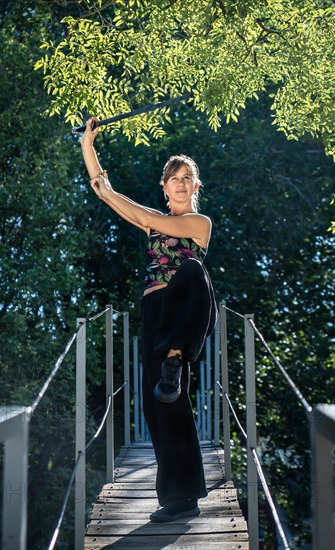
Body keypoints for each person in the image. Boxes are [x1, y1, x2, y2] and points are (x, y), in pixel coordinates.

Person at [81, 118, 217, 523]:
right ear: (165, 186)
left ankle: (176, 357)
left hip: (185, 309)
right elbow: (105, 192)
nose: (179, 183)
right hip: (154, 314)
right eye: (173, 178)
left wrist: (127, 206)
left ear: (195, 186)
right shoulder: (153, 224)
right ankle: (178, 498)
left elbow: (144, 216)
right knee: (159, 406)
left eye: (187, 177)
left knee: (192, 272)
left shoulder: (198, 224)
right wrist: (88, 146)